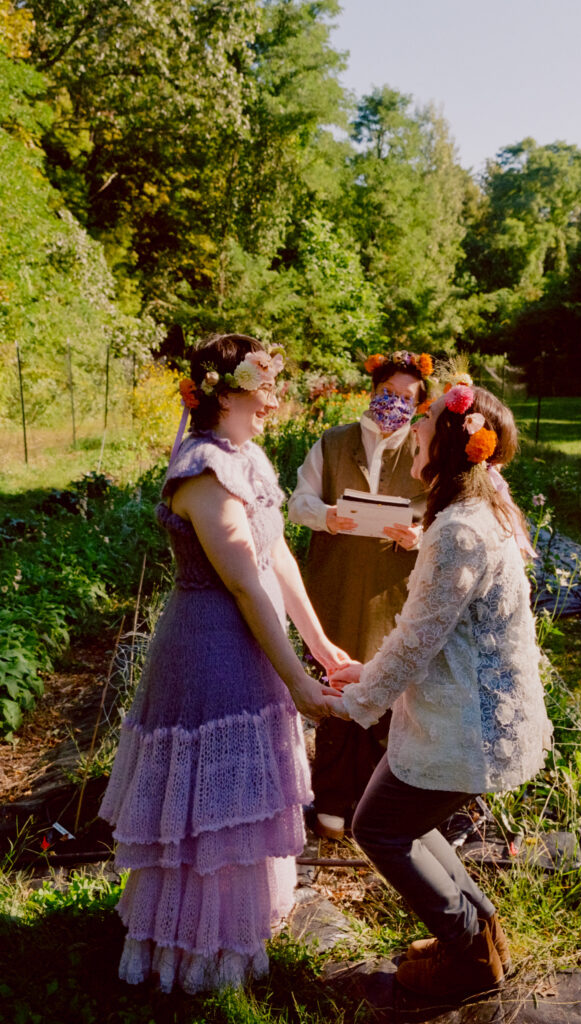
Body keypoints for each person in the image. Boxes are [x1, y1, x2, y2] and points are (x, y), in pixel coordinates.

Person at [100, 333, 347, 995]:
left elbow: (276, 557)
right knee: (211, 806)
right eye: (266, 384)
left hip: (253, 637)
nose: (275, 399)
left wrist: (318, 646)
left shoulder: (248, 457)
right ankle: (194, 956)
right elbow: (241, 581)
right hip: (208, 646)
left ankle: (239, 931)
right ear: (228, 390)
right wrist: (297, 681)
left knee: (242, 800)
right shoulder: (203, 469)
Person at [330, 383, 552, 1004]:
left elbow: (416, 641)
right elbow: (426, 632)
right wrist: (367, 675)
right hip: (471, 716)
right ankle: (481, 935)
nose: (415, 432)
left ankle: (470, 958)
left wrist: (355, 700)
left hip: (471, 726)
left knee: (378, 828)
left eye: (424, 424)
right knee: (402, 821)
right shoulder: (480, 509)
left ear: (447, 441)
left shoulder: (459, 529)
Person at [287, 351, 432, 840]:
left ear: (420, 404)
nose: (395, 404)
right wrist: (326, 515)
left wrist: (419, 532)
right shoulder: (334, 442)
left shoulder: (423, 448)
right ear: (372, 392)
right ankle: (330, 800)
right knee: (338, 680)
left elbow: (442, 513)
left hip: (395, 586)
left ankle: (374, 802)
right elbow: (298, 501)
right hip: (341, 580)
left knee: (387, 684)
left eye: (406, 398)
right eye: (387, 393)